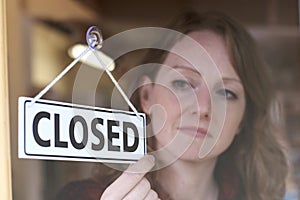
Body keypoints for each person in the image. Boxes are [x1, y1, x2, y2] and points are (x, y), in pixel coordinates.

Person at [56, 11, 288, 200]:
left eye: (227, 92)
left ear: (243, 118)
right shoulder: (84, 196)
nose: (203, 108)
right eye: (183, 83)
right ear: (146, 96)